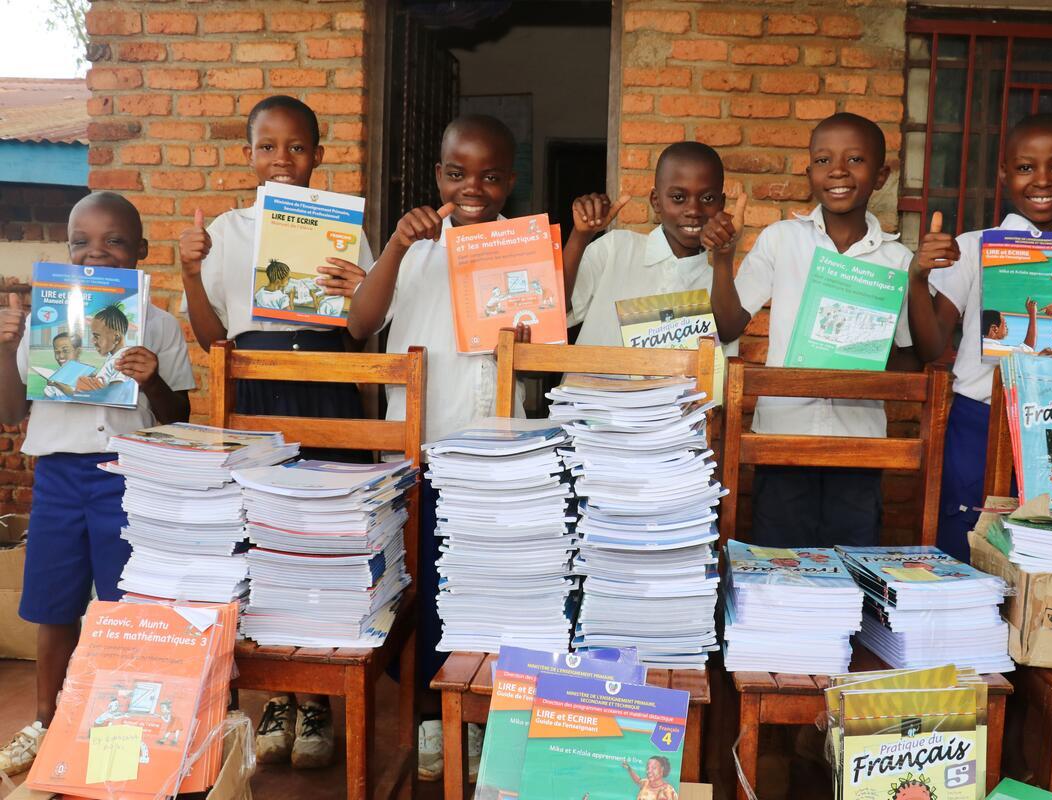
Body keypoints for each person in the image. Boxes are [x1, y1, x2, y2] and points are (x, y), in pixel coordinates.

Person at [178, 94, 374, 769]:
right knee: (260, 540)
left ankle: (318, 700)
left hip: (327, 387)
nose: (281, 160)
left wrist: (356, 285)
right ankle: (277, 699)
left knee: (325, 539)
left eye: (296, 147)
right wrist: (187, 270)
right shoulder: (225, 233)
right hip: (254, 392)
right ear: (250, 154)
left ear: (319, 155)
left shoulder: (344, 228)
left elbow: (365, 328)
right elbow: (210, 340)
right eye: (268, 147)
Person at [347, 113, 527, 782]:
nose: (471, 187)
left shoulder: (520, 252)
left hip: (500, 457)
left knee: (487, 590)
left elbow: (545, 343)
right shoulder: (416, 250)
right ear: (438, 177)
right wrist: (395, 244)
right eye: (457, 174)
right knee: (423, 590)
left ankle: (477, 717)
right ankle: (427, 715)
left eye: (488, 175)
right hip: (422, 451)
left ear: (510, 181)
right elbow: (361, 323)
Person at [0, 191, 193, 777]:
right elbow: (11, 412)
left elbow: (179, 416)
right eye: (80, 242)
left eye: (113, 241)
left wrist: (152, 380)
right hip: (58, 477)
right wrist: (7, 343)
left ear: (141, 252)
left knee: (123, 604)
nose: (95, 253)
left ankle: (122, 722)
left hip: (128, 478)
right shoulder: (43, 323)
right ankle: (46, 718)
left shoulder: (157, 325)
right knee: (53, 604)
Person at [907, 112, 1052, 561]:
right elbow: (931, 349)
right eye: (1026, 167)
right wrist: (917, 277)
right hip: (977, 421)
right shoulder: (973, 248)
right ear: (1005, 173)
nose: (1042, 180)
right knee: (966, 543)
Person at [701, 112, 917, 548]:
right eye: (823, 160)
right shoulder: (782, 240)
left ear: (881, 175)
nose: (837, 170)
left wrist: (860, 341)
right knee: (780, 564)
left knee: (853, 568)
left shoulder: (898, 261)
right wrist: (723, 260)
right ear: (809, 172)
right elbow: (727, 324)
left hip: (859, 445)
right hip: (782, 437)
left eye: (855, 159)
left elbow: (911, 361)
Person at [564, 141, 725, 347]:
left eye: (707, 198)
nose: (693, 210)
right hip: (584, 380)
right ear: (656, 201)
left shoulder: (718, 287)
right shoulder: (617, 248)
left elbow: (717, 371)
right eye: (678, 197)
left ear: (721, 204)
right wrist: (580, 236)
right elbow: (554, 309)